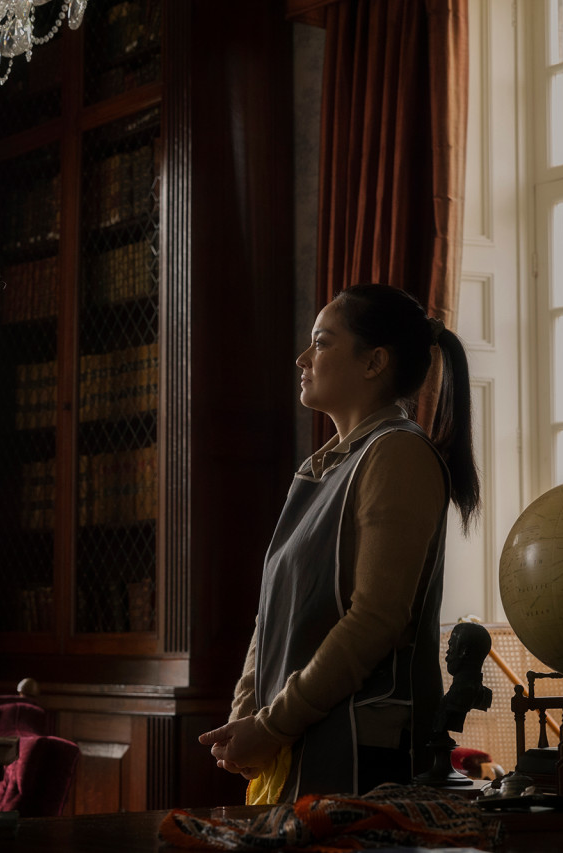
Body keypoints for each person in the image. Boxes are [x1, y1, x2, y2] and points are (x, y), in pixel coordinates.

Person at [198, 283, 481, 803]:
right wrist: (246, 716)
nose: (303, 358)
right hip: (293, 740)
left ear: (374, 362)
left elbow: (375, 619)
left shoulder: (397, 454)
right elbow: (271, 616)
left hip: (358, 755)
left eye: (322, 342)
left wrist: (272, 726)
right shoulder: (321, 468)